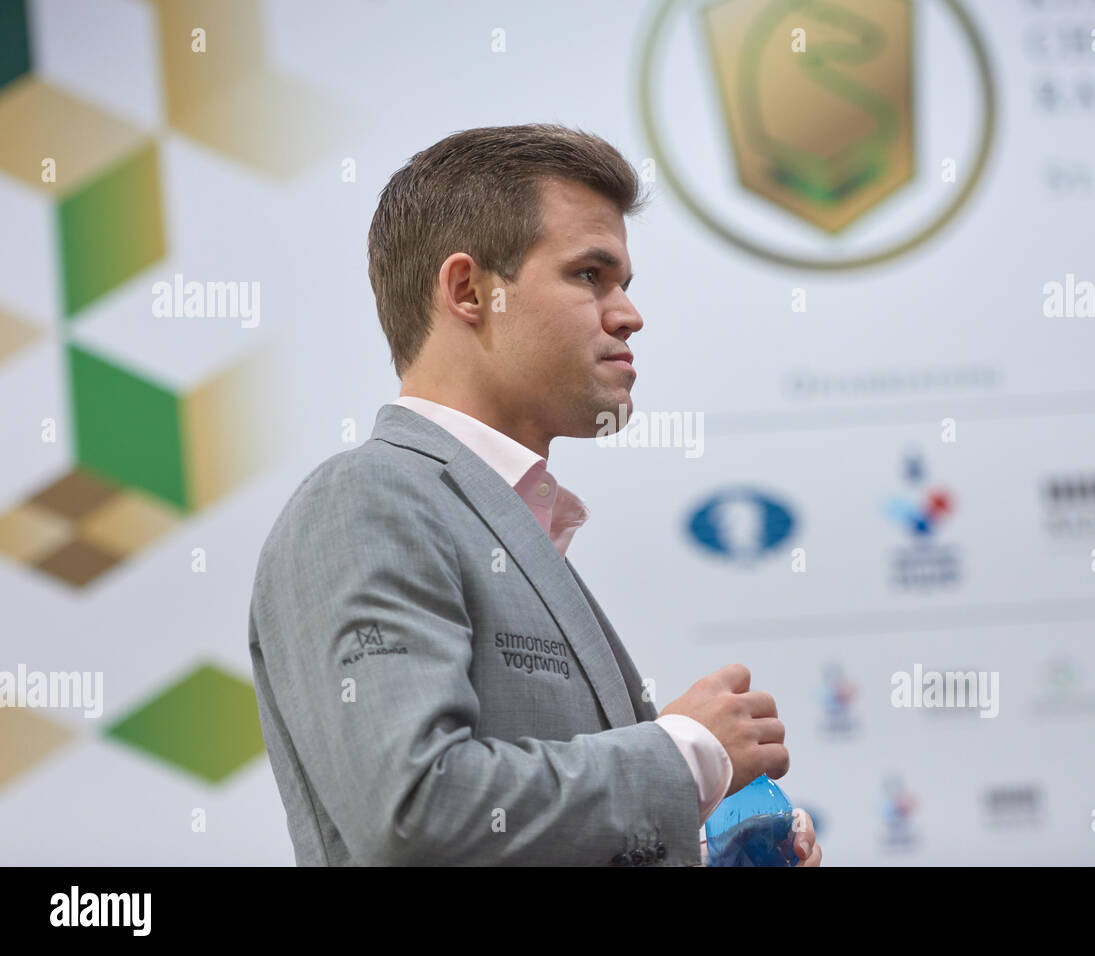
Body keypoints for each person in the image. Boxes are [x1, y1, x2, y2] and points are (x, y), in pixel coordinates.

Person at [247, 124, 821, 867]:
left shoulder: (496, 518)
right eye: (590, 274)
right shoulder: (364, 500)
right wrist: (687, 754)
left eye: (624, 283)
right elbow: (414, 812)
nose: (628, 314)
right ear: (469, 291)